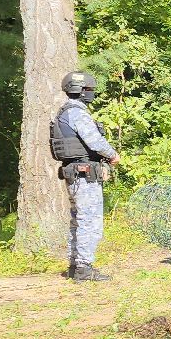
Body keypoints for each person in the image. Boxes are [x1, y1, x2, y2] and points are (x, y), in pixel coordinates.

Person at [48, 70, 120, 281]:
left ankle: (74, 265)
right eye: (89, 89)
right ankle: (84, 268)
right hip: (84, 175)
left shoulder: (64, 112)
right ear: (79, 91)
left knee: (77, 221)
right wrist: (112, 155)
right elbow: (95, 142)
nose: (91, 93)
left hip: (76, 173)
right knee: (89, 221)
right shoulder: (77, 113)